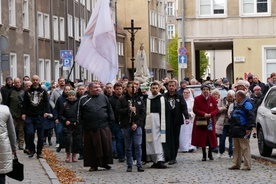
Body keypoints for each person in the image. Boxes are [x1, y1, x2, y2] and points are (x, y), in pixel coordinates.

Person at [77, 82, 114, 171]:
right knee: (92, 147)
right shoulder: (83, 99)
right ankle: (93, 165)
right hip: (90, 127)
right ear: (89, 89)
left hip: (103, 126)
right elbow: (79, 114)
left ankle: (104, 163)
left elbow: (109, 110)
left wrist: (111, 122)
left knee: (105, 146)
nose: (97, 89)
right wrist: (80, 126)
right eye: (95, 87)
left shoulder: (104, 98)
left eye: (99, 87)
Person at [116, 81, 146, 172]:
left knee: (137, 145)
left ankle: (139, 164)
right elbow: (118, 110)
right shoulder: (122, 99)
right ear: (127, 88)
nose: (134, 89)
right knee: (128, 146)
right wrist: (128, 109)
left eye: (136, 87)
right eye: (132, 87)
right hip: (126, 125)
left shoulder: (139, 99)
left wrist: (137, 123)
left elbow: (143, 113)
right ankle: (129, 164)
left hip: (137, 125)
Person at [21, 75, 49, 159]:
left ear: (39, 81)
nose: (35, 81)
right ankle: (32, 150)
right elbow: (25, 103)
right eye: (34, 80)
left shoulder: (43, 91)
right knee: (29, 133)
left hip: (40, 116)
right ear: (32, 81)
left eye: (37, 80)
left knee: (40, 136)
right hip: (30, 116)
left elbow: (46, 102)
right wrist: (23, 113)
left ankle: (39, 152)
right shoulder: (27, 92)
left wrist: (46, 112)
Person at [163, 80, 189, 165]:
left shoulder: (179, 96)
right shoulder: (164, 96)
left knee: (175, 139)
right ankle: (167, 155)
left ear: (175, 86)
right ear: (167, 86)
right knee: (167, 139)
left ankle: (173, 157)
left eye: (172, 86)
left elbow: (183, 107)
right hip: (167, 120)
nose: (171, 87)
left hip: (176, 120)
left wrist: (186, 117)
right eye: (169, 85)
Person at [228, 90, 255, 170]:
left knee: (245, 147)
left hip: (242, 128)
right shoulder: (238, 104)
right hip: (236, 128)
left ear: (239, 97)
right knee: (236, 147)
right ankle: (236, 164)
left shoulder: (247, 104)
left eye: (236, 96)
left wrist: (248, 128)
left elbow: (251, 116)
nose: (234, 98)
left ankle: (247, 165)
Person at [191, 84, 219, 161]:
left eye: (207, 89)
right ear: (202, 90)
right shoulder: (197, 99)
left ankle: (210, 153)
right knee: (202, 137)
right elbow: (195, 109)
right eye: (204, 89)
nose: (205, 91)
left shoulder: (212, 99)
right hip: (201, 120)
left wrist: (211, 114)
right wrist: (204, 114)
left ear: (209, 90)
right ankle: (204, 154)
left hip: (210, 120)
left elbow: (216, 109)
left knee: (210, 137)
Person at [144, 82, 167, 169]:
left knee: (159, 141)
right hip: (149, 122)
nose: (154, 89)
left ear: (159, 89)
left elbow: (167, 112)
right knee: (150, 141)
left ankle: (160, 159)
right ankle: (154, 160)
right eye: (153, 88)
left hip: (160, 122)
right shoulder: (147, 99)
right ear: (150, 89)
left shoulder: (162, 99)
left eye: (156, 88)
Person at [59, 90, 81, 163]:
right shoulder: (65, 104)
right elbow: (60, 115)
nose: (71, 97)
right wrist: (65, 121)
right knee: (67, 140)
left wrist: (77, 122)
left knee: (76, 141)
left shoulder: (78, 104)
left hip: (75, 125)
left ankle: (74, 156)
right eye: (70, 95)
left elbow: (80, 114)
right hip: (67, 125)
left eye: (72, 95)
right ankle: (68, 155)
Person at [6, 77, 25, 150]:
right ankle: (12, 144)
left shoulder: (24, 91)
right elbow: (7, 103)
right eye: (15, 82)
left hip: (21, 114)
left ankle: (21, 144)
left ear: (20, 82)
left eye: (18, 82)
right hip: (12, 114)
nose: (17, 84)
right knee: (11, 130)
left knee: (21, 130)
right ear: (14, 83)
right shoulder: (11, 91)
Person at [0, 105, 17, 184]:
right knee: (1, 172)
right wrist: (14, 147)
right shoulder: (5, 110)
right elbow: (11, 131)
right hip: (2, 145)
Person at [216, 90, 235, 158]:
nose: (230, 98)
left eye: (231, 97)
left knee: (231, 140)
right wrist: (223, 108)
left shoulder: (235, 102)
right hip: (223, 122)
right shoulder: (222, 100)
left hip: (231, 123)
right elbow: (216, 109)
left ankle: (231, 153)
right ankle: (221, 151)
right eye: (229, 96)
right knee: (222, 139)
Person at [109, 83, 125, 162]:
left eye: (120, 89)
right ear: (114, 90)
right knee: (119, 138)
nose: (119, 91)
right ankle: (120, 155)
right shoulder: (111, 100)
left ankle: (125, 154)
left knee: (124, 139)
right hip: (115, 122)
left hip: (124, 121)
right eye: (117, 89)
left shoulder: (125, 98)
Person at [50, 77, 66, 148]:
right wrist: (54, 107)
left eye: (63, 81)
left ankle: (65, 142)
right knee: (58, 128)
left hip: (66, 111)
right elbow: (51, 100)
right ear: (58, 82)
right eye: (61, 81)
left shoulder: (67, 90)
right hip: (58, 111)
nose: (62, 82)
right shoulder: (55, 91)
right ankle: (58, 141)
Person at [179, 88, 196, 153]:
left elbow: (194, 110)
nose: (185, 94)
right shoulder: (181, 100)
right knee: (183, 133)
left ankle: (190, 146)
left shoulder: (192, 101)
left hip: (190, 119)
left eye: (187, 93)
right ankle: (183, 147)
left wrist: (190, 114)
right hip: (182, 119)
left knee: (190, 133)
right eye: (184, 92)